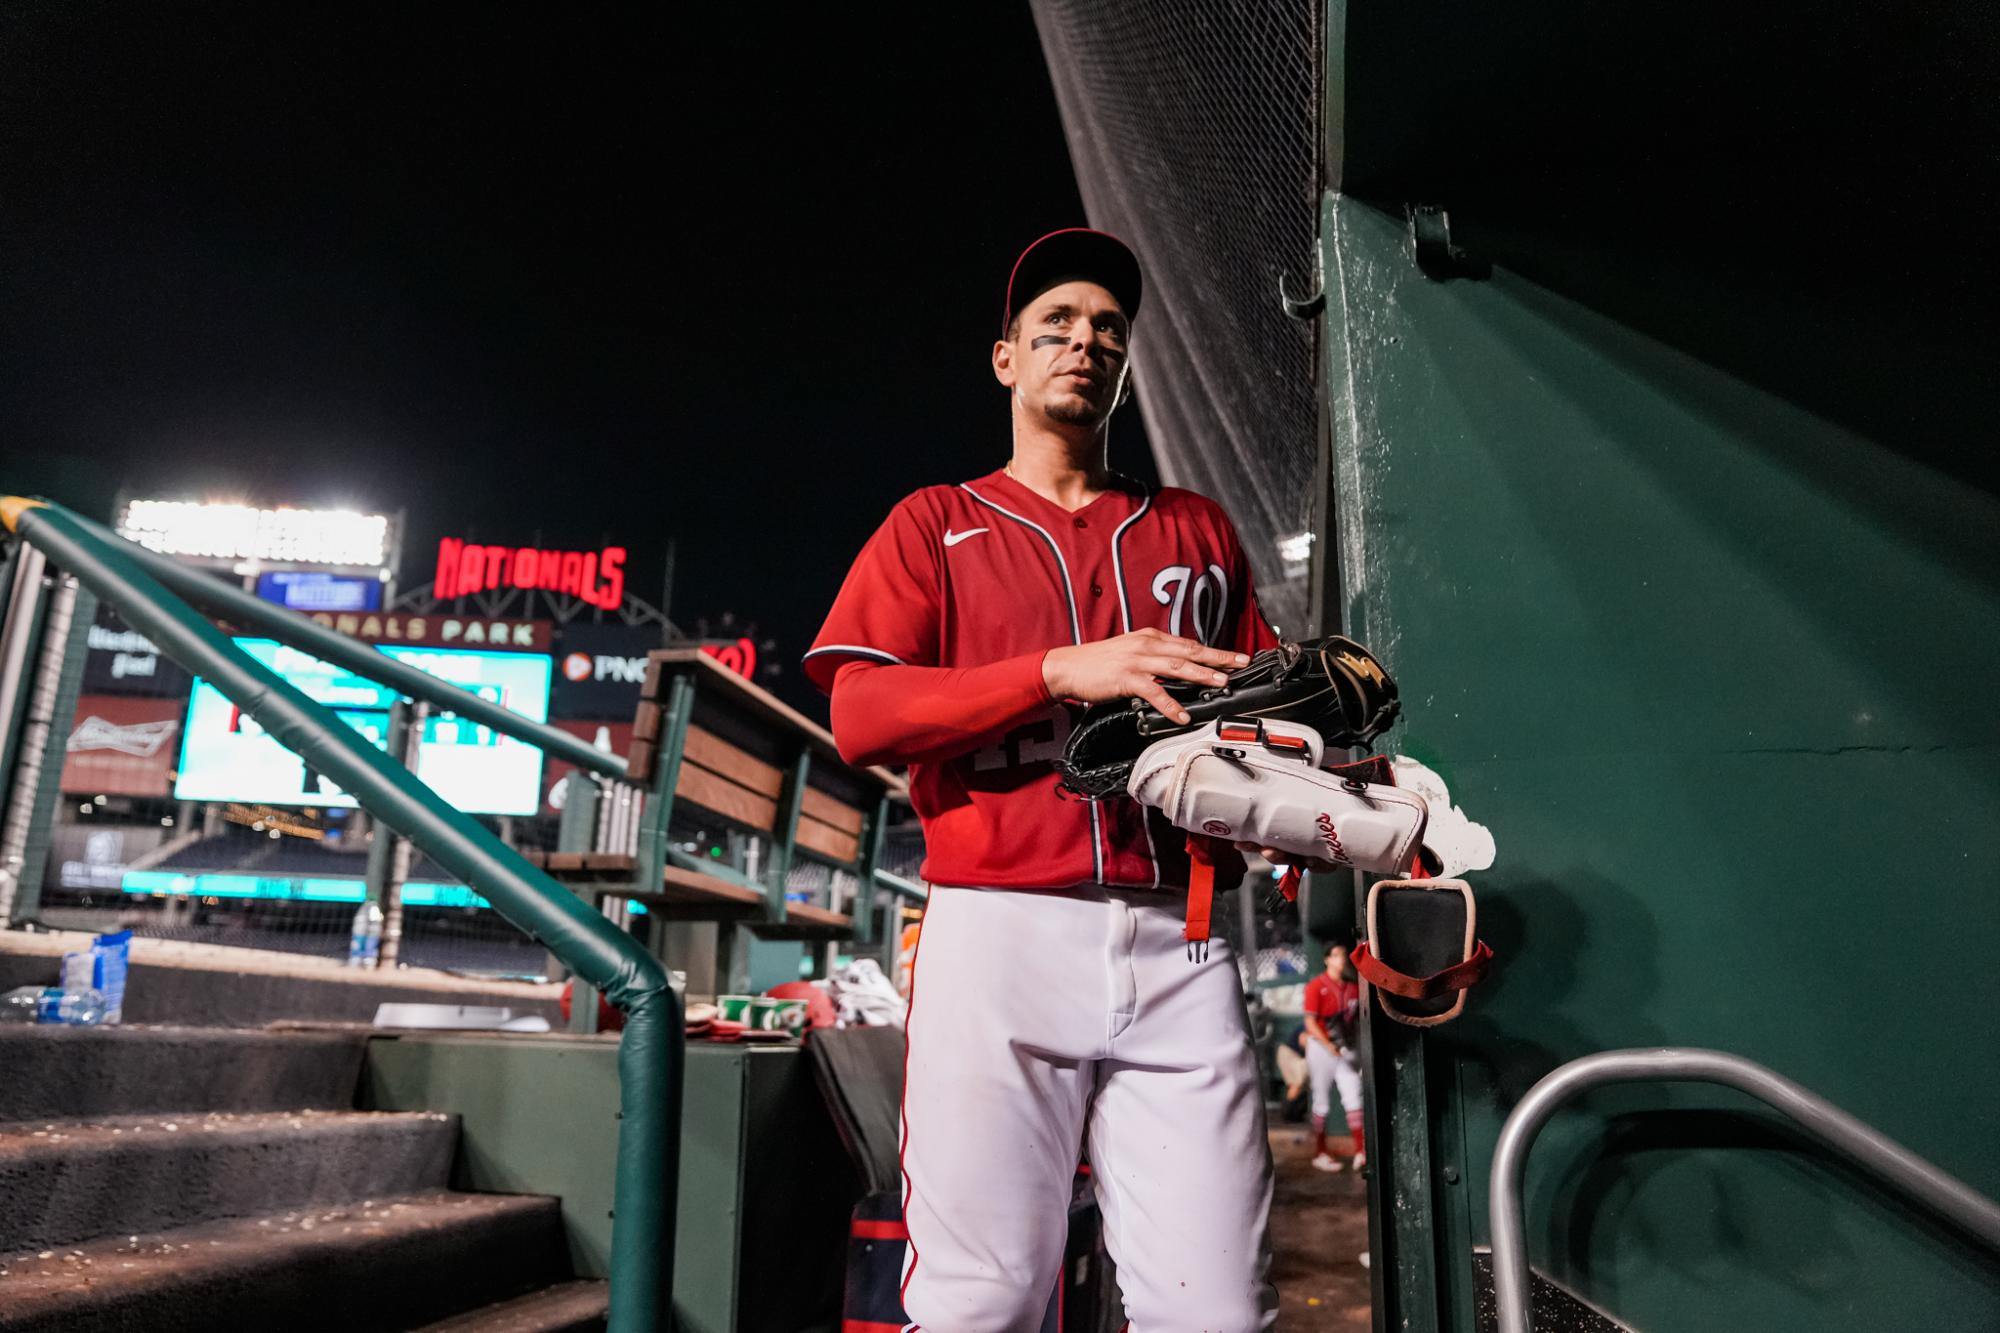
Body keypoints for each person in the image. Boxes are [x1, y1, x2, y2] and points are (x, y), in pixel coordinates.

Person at [805, 229, 1332, 1331]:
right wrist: (1053, 672)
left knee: (1220, 1312)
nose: (1083, 341)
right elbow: (858, 713)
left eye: (1105, 328)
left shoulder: (1194, 528)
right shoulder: (933, 525)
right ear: (1005, 359)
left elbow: (1263, 716)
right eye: (1054, 324)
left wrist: (1327, 778)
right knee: (981, 1303)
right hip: (997, 933)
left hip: (1180, 939)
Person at [1301, 937, 1366, 1172]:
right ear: (1327, 959)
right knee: (1321, 1101)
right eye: (1336, 954)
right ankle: (1320, 1152)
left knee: (1354, 1096)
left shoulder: (1353, 987)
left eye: (1343, 954)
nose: (1341, 959)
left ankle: (1361, 1151)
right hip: (1322, 1049)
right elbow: (1309, 1022)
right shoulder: (1316, 985)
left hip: (1345, 1048)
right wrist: (1328, 1045)